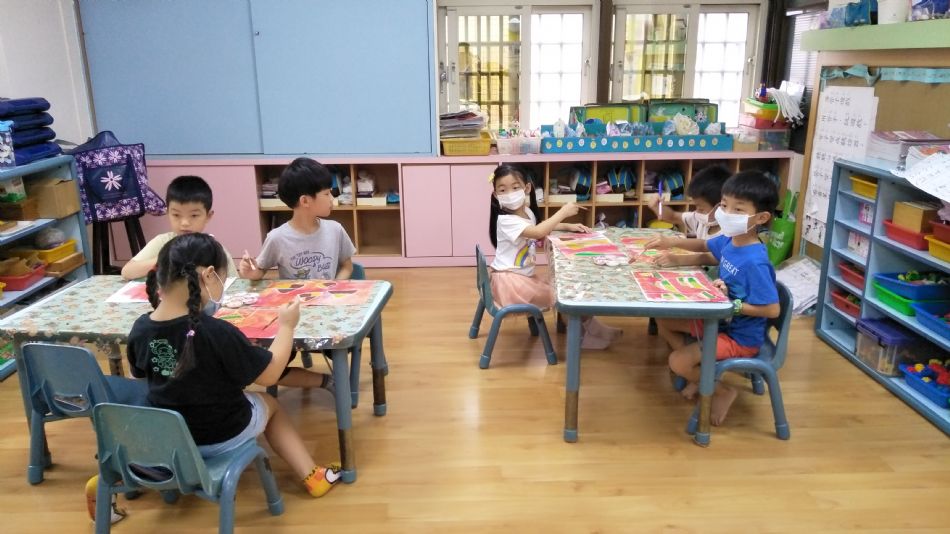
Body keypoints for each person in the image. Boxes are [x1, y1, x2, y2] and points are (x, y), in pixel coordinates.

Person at [126, 233, 341, 497]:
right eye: (222, 278)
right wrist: (287, 326)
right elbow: (270, 375)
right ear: (208, 275)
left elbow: (140, 380)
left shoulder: (140, 329)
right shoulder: (216, 331)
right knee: (270, 403)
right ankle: (312, 475)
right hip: (221, 434)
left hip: (170, 440)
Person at [646, 171, 780, 425]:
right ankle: (703, 373)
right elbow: (706, 248)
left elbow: (772, 310)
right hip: (719, 322)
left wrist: (732, 305)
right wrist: (672, 248)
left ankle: (720, 389)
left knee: (677, 362)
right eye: (725, 205)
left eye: (738, 210)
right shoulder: (732, 241)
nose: (727, 214)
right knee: (664, 320)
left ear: (761, 217)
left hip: (740, 337)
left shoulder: (755, 262)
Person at [488, 164, 621, 349]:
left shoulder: (526, 212)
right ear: (496, 195)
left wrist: (567, 226)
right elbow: (537, 232)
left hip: (519, 278)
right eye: (503, 190)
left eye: (515, 187)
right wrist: (563, 213)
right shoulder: (506, 220)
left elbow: (539, 226)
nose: (509, 193)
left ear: (527, 188)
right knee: (564, 295)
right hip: (510, 283)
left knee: (563, 288)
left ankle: (595, 329)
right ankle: (583, 337)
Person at [239, 157, 354, 281]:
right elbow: (260, 271)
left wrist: (334, 287)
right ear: (305, 201)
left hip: (328, 294)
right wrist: (251, 272)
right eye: (327, 194)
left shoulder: (336, 230)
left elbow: (347, 267)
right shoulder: (277, 238)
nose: (332, 198)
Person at [121, 175, 237, 280]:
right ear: (168, 213)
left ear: (208, 216)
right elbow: (127, 272)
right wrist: (164, 258)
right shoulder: (162, 241)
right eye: (176, 215)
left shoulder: (215, 249)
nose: (185, 223)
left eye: (194, 215)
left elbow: (234, 284)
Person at [645, 164, 731, 240]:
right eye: (696, 207)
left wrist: (673, 242)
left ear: (722, 206)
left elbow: (706, 250)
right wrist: (656, 206)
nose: (697, 211)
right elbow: (672, 216)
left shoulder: (730, 233)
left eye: (701, 209)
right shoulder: (700, 220)